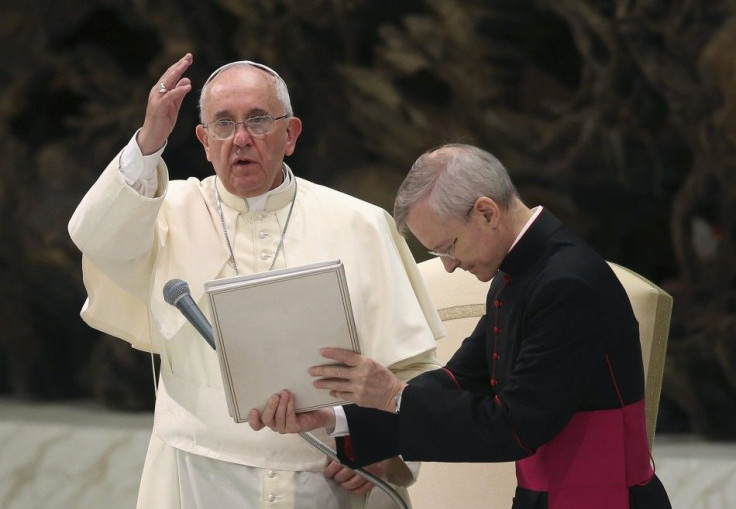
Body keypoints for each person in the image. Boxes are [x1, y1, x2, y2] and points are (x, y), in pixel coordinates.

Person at [68, 53, 443, 509]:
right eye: (223, 124)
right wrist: (149, 140)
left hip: (329, 476)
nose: (240, 138)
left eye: (258, 120)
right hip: (199, 473)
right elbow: (95, 237)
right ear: (203, 141)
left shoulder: (362, 224)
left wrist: (375, 443)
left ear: (291, 134)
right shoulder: (165, 213)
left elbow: (411, 368)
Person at [249, 144, 673, 508]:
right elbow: (462, 378)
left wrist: (395, 395)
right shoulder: (517, 270)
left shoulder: (566, 283)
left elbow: (516, 426)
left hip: (602, 496)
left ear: (486, 212)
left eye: (448, 247)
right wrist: (337, 416)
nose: (449, 267)